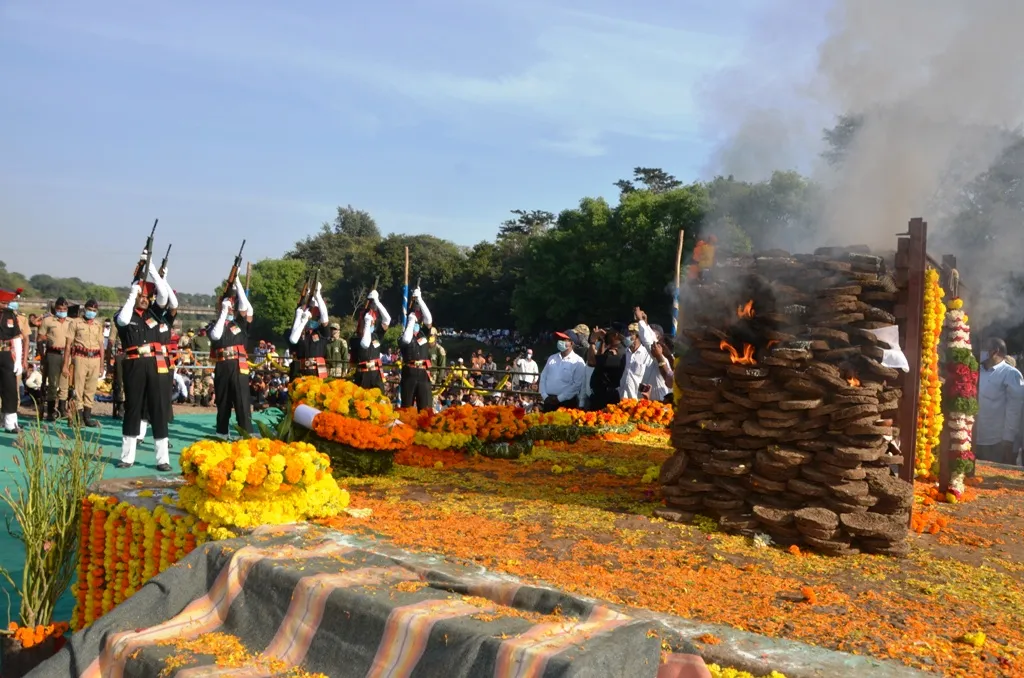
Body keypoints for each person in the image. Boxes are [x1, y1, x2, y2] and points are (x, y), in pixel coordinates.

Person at [115, 278, 172, 472]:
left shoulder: (154, 314)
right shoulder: (124, 313)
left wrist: (155, 272)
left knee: (158, 409)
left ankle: (162, 459)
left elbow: (164, 296)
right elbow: (122, 321)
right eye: (142, 296)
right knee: (133, 408)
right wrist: (133, 293)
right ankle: (127, 457)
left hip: (155, 363)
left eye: (147, 296)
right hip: (134, 363)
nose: (145, 299)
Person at [209, 277, 254, 439]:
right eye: (227, 306)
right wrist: (223, 312)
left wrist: (238, 283)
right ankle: (222, 433)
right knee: (223, 401)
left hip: (239, 365)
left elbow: (246, 308)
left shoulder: (239, 324)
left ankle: (245, 433)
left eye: (230, 307)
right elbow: (216, 336)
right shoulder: (214, 325)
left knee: (242, 401)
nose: (230, 309)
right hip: (222, 366)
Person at [975, 338, 1024, 466]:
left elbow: (1014, 410)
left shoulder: (1011, 374)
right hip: (973, 437)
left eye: (984, 349)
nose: (980, 352)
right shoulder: (977, 370)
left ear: (994, 352)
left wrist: (1008, 439)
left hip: (995, 442)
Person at [62, 299, 105, 427]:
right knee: (78, 389)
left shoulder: (98, 325)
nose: (91, 312)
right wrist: (65, 364)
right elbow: (68, 345)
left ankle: (87, 417)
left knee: (91, 389)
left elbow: (101, 346)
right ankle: (78, 417)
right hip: (80, 357)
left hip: (95, 358)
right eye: (89, 310)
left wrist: (102, 365)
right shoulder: (75, 322)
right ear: (84, 309)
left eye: (94, 310)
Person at [399, 286, 433, 411]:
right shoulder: (403, 336)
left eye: (418, 316)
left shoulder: (423, 333)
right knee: (407, 407)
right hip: (409, 373)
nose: (417, 318)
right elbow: (407, 339)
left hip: (423, 373)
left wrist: (420, 299)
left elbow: (429, 319)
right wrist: (411, 320)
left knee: (425, 407)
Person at [288, 281, 330, 381]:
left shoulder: (321, 332)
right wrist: (300, 316)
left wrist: (318, 296)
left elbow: (325, 318)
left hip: (318, 372)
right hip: (301, 373)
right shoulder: (298, 332)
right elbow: (293, 340)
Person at [39, 296, 73, 421]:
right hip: (53, 354)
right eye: (59, 309)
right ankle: (50, 411)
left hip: (67, 355)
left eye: (64, 309)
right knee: (53, 384)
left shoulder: (71, 322)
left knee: (65, 384)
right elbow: (39, 338)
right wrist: (42, 356)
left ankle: (62, 409)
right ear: (55, 309)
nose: (62, 311)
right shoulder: (48, 321)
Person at [351, 290, 390, 392]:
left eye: (372, 322)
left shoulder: (376, 335)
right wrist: (366, 323)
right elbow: (364, 344)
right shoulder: (355, 340)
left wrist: (377, 301)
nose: (371, 323)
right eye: (368, 322)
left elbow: (387, 320)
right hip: (362, 376)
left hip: (376, 375)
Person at [538, 330, 586, 413]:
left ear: (571, 343)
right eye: (560, 339)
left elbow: (577, 384)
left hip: (566, 403)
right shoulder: (552, 358)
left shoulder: (578, 361)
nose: (560, 342)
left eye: (564, 340)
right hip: (548, 401)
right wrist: (544, 396)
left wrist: (559, 398)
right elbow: (543, 377)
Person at [633, 308, 673, 402]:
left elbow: (649, 342)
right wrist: (645, 323)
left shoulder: (662, 359)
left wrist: (640, 320)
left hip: (659, 405)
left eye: (659, 343)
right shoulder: (660, 357)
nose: (656, 345)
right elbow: (651, 339)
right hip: (650, 403)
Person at [0, 288, 25, 433]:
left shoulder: (11, 315)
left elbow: (16, 338)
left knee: (10, 390)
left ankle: (11, 423)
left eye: (6, 303)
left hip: (6, 354)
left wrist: (18, 361)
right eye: (3, 302)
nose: (5, 305)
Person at [587, 324, 626, 410]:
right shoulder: (614, 349)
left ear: (615, 335)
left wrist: (593, 341)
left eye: (609, 333)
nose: (606, 334)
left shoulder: (617, 351)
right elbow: (600, 357)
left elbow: (592, 362)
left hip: (607, 397)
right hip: (601, 394)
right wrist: (603, 340)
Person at [619, 322, 653, 400]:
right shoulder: (624, 352)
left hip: (637, 399)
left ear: (638, 336)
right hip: (622, 397)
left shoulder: (646, 355)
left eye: (630, 334)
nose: (627, 337)